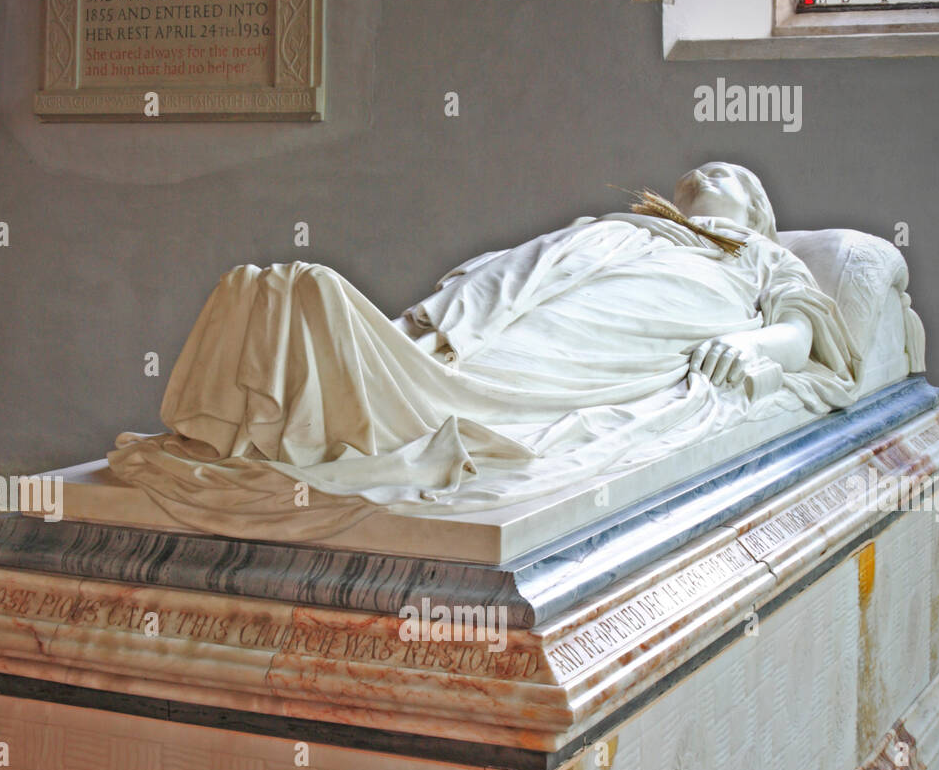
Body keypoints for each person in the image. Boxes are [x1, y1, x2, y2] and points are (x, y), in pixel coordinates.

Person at [109, 162, 857, 526]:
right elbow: (520, 265)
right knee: (482, 331)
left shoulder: (754, 254)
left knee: (536, 360)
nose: (709, 170)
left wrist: (766, 348)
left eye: (729, 172)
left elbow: (806, 327)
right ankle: (383, 377)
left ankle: (369, 402)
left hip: (652, 314)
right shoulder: (622, 223)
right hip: (575, 274)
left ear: (756, 211)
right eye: (700, 171)